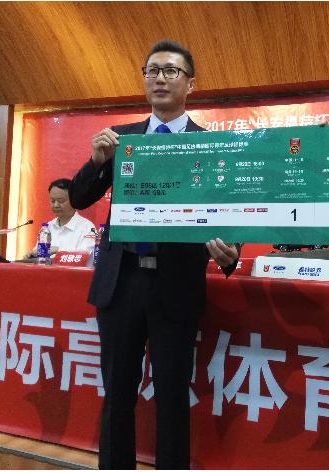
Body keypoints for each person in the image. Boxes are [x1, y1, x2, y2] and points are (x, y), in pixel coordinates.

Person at [69, 39, 240, 470]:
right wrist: (96, 162)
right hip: (120, 283)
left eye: (170, 71)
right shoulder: (121, 139)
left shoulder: (210, 145)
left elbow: (228, 216)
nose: (160, 79)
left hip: (175, 287)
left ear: (190, 84)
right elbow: (79, 197)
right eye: (152, 71)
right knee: (117, 395)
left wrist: (230, 253)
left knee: (172, 397)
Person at [25, 178, 95, 258]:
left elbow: (85, 256)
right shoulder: (47, 227)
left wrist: (58, 250)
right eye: (52, 201)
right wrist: (31, 255)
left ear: (73, 200)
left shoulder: (87, 227)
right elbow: (39, 253)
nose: (56, 205)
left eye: (61, 201)